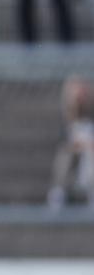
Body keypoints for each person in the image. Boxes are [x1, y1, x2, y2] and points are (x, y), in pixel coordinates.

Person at [47, 77, 94, 209]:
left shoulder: (91, 113)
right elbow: (63, 138)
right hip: (73, 150)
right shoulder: (65, 115)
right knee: (65, 155)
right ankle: (58, 191)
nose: (80, 96)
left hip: (89, 151)